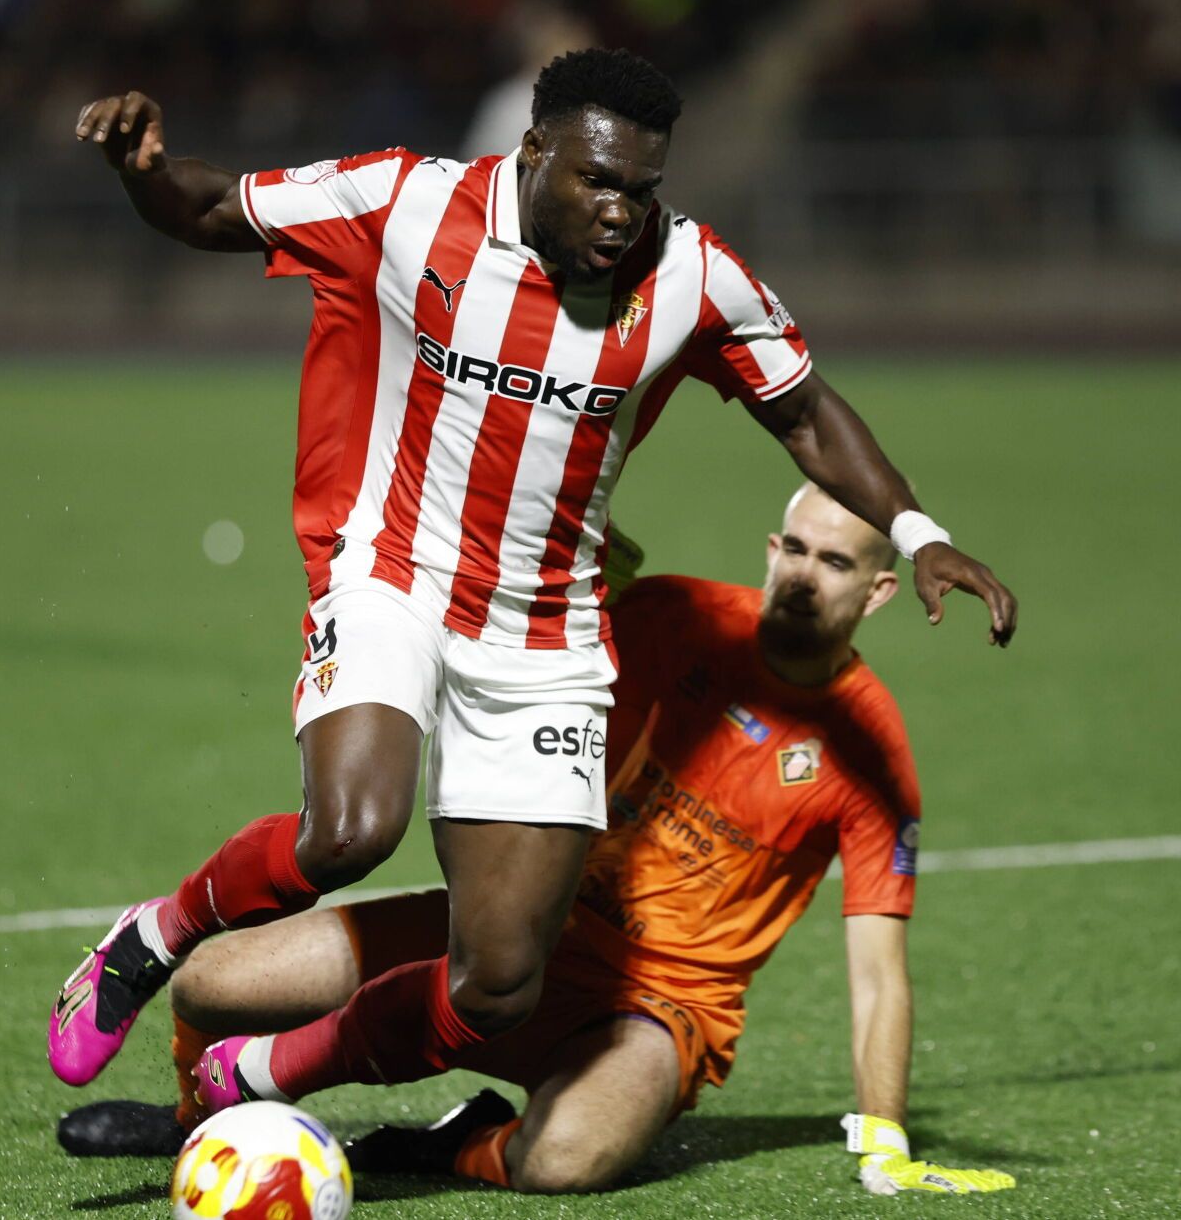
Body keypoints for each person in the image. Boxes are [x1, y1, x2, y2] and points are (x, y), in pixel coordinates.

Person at [49, 49, 1018, 1126]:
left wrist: (918, 532)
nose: (619, 211)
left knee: (499, 986)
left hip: (546, 630)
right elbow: (211, 209)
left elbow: (801, 410)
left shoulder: (691, 273)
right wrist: (143, 169)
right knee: (350, 830)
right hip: (393, 570)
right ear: (533, 149)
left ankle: (259, 1076)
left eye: (641, 189)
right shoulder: (408, 200)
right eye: (596, 182)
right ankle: (148, 939)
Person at [58, 487, 1015, 1197]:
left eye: (835, 563)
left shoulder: (870, 745)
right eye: (795, 549)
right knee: (211, 983)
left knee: (563, 1158)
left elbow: (879, 967)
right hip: (514, 921)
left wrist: (884, 1132)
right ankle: (199, 1124)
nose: (804, 575)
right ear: (771, 547)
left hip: (654, 1010)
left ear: (880, 591)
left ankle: (435, 1145)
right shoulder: (672, 618)